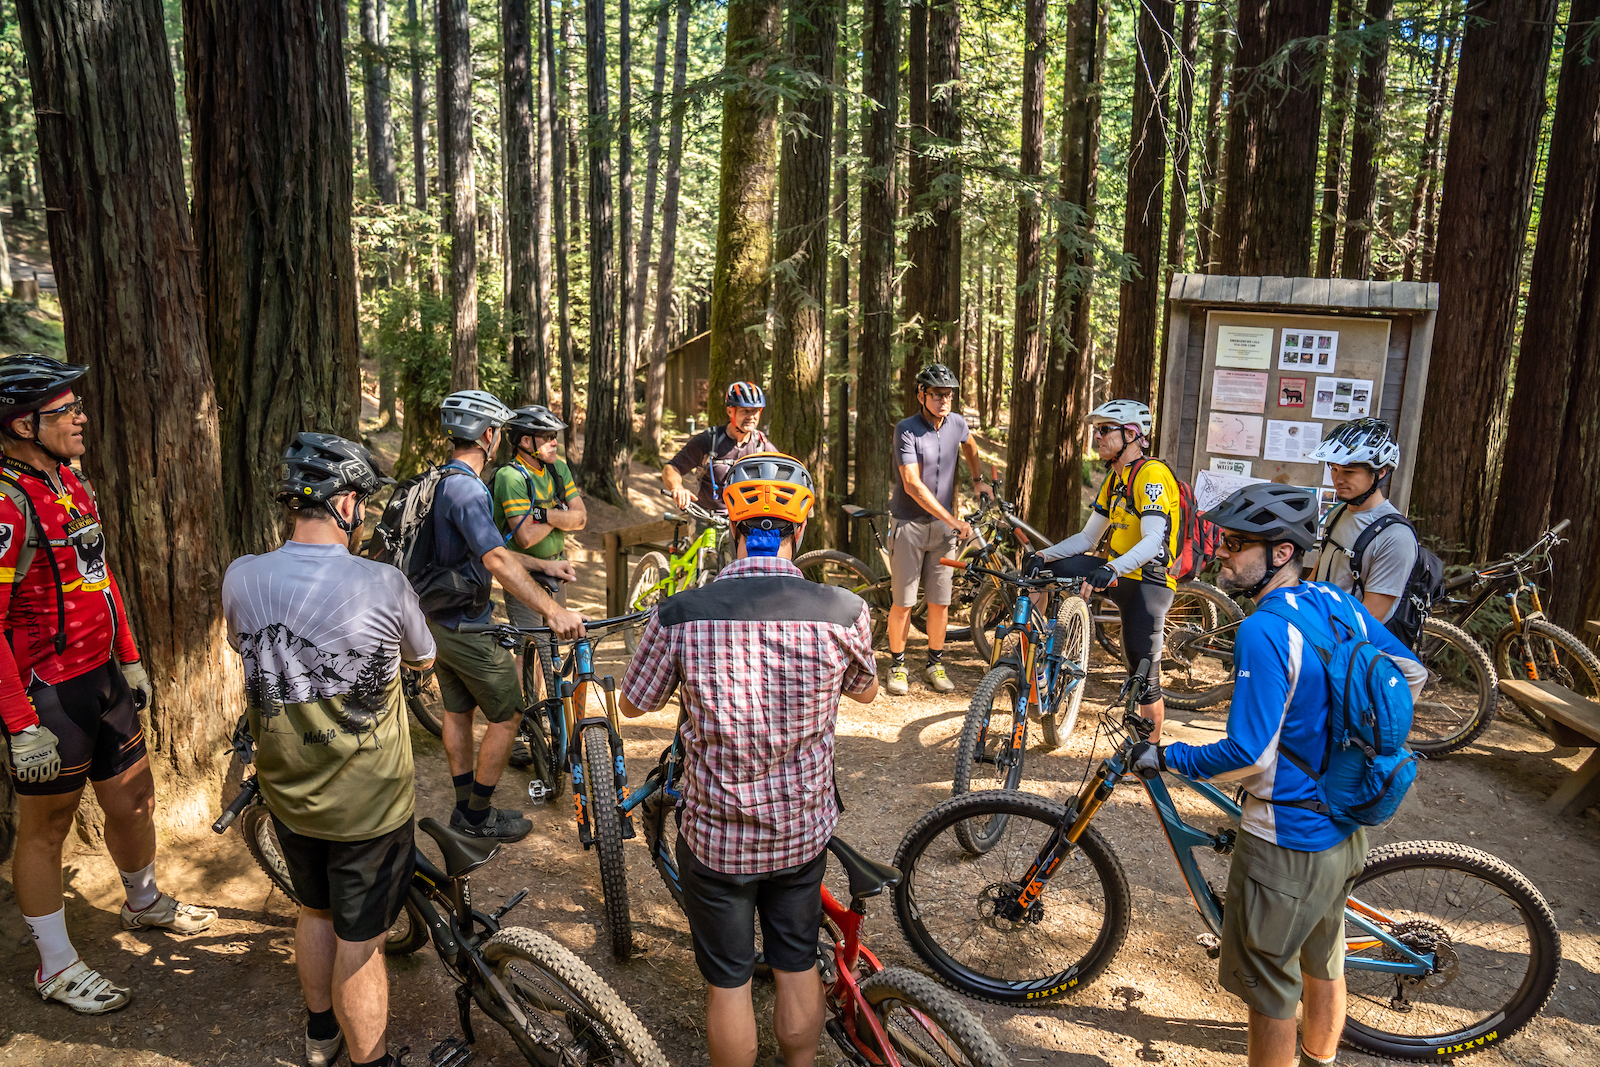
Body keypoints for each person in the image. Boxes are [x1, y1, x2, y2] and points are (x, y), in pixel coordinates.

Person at [1136, 483, 1426, 1067]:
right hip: (1342, 828)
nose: (1222, 552)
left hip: (1286, 841)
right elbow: (1410, 674)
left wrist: (1169, 757)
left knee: (1269, 991)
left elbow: (1249, 756)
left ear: (1281, 553)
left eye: (1238, 544)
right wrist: (1343, 747)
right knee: (1325, 961)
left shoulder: (1262, 631)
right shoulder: (1336, 601)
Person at [618, 452, 878, 1067]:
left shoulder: (680, 612)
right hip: (800, 830)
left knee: (729, 981)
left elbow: (633, 703)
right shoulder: (844, 611)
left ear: (732, 527)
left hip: (715, 837)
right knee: (794, 962)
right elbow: (865, 688)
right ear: (801, 529)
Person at [0, 353, 216, 1016]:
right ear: (24, 423)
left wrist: (129, 657)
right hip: (47, 695)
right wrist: (19, 722)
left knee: (134, 801)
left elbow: (102, 576)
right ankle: (56, 966)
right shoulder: (5, 503)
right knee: (46, 827)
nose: (82, 417)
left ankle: (144, 900)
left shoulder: (70, 481)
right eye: (66, 409)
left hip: (102, 680)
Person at [222, 432, 435, 1067]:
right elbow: (423, 656)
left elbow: (246, 648)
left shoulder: (243, 575)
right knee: (361, 942)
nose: (364, 514)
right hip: (369, 805)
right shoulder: (384, 582)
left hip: (289, 793)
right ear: (343, 503)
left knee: (314, 911)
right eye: (360, 502)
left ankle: (322, 1033)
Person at [427, 390, 585, 841]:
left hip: (436, 617)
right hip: (466, 623)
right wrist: (552, 609)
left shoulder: (442, 480)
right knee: (511, 711)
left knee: (458, 712)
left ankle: (463, 807)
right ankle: (477, 816)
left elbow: (497, 553)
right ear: (490, 435)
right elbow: (498, 559)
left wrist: (543, 564)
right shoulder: (471, 490)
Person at [1026, 399, 1179, 732]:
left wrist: (1111, 569)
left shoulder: (1152, 475)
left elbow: (1154, 540)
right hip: (1116, 572)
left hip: (1148, 582)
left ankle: (1147, 754)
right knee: (1039, 574)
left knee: (1143, 679)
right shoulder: (1115, 479)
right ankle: (1034, 661)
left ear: (1132, 433)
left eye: (1105, 430)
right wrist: (1045, 555)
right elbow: (1086, 539)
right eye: (1097, 430)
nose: (1097, 437)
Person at [884, 362, 992, 696]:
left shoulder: (957, 423)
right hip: (909, 525)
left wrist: (978, 480)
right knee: (902, 602)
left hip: (943, 529)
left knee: (940, 602)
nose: (944, 400)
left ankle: (934, 662)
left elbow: (971, 446)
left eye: (949, 395)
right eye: (937, 395)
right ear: (922, 395)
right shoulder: (907, 429)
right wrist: (953, 520)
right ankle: (898, 665)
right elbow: (912, 485)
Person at [491, 405, 584, 766]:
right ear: (525, 441)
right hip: (523, 573)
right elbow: (525, 538)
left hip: (557, 571)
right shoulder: (510, 477)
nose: (554, 442)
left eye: (554, 436)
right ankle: (514, 728)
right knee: (525, 655)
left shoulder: (557, 469)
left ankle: (538, 714)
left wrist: (544, 514)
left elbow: (581, 517)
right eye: (546, 437)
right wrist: (560, 518)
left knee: (551, 651)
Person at [1304, 418, 1416, 626]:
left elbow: (1370, 617)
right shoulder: (1338, 512)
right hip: (1319, 629)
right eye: (1334, 469)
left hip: (1351, 648)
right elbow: (1320, 573)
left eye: (1348, 471)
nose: (1337, 479)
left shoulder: (1395, 537)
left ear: (1380, 472)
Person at [663, 381, 774, 514]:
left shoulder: (761, 444)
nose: (751, 417)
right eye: (745, 411)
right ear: (730, 411)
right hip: (708, 517)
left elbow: (785, 473)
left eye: (755, 411)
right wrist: (677, 488)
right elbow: (671, 468)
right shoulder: (710, 440)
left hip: (746, 520)